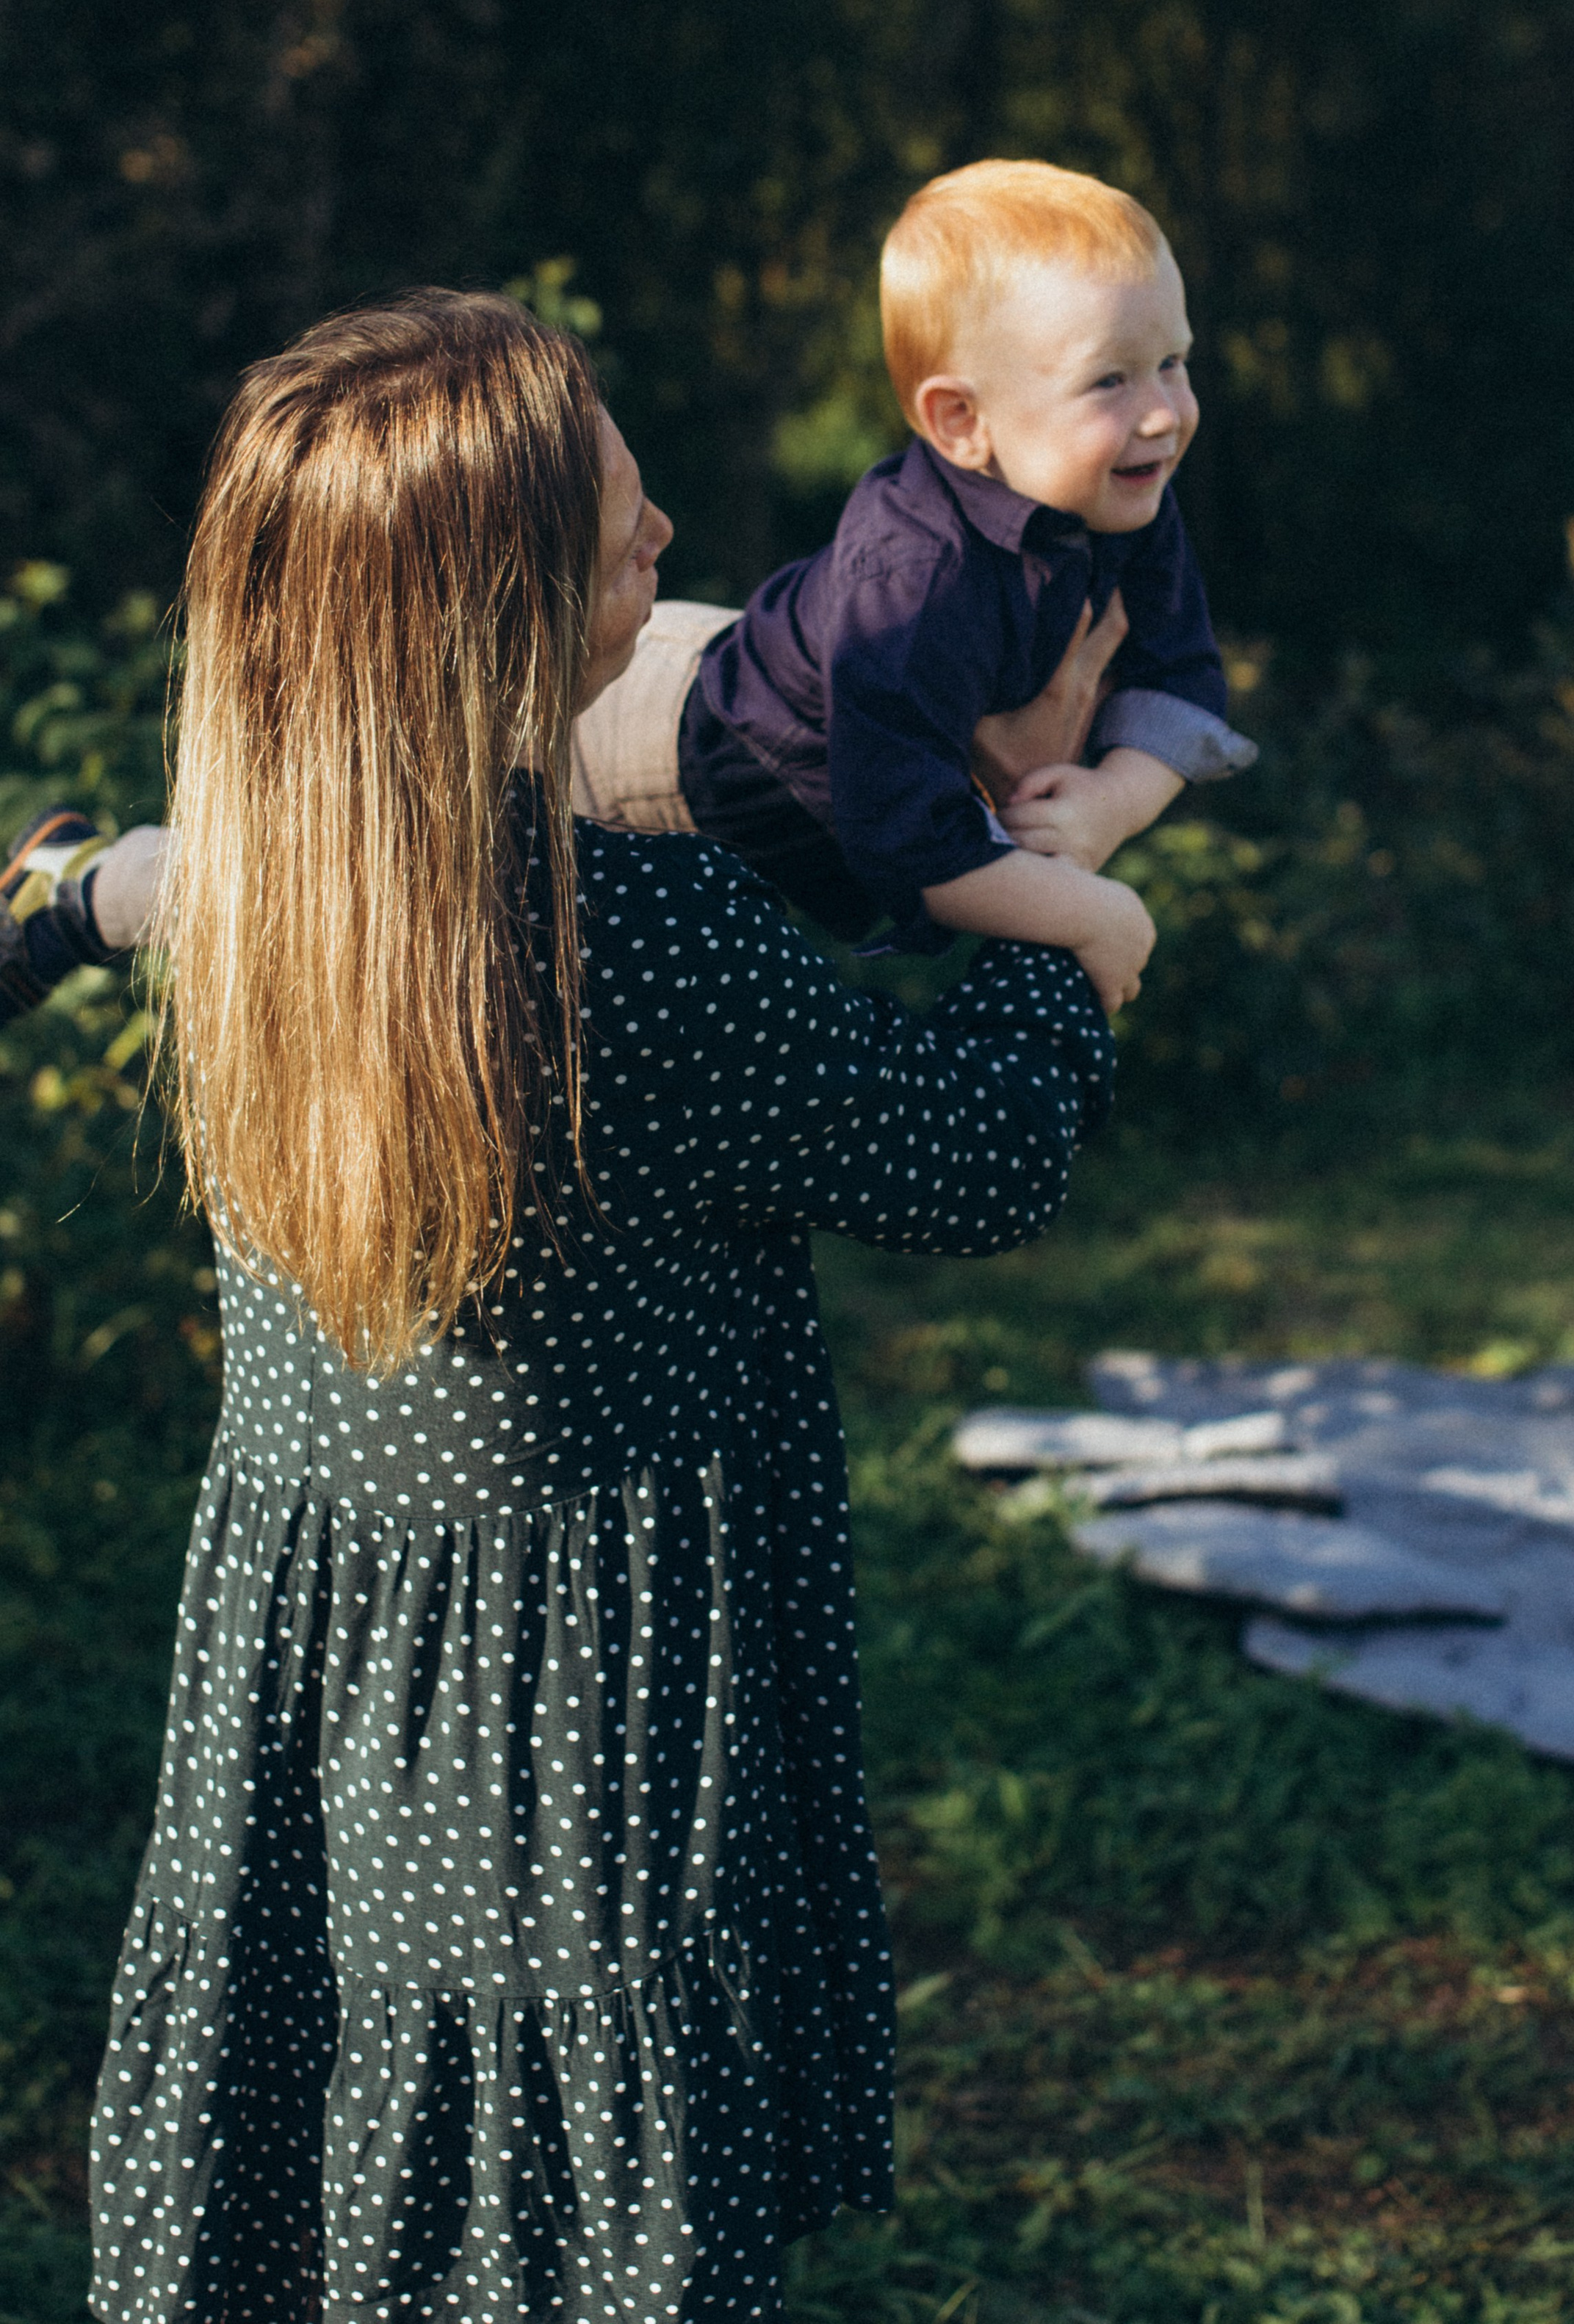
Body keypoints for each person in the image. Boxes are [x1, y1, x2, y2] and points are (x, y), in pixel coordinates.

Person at [83, 289, 1114, 2321]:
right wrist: (1075, 927)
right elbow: (968, 1153)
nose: (667, 547)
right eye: (624, 530)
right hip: (573, 1713)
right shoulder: (627, 950)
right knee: (567, 2186)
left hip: (323, 1661)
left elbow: (164, 883)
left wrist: (83, 889)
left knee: (343, 2092)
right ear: (489, 613)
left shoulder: (266, 879)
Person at [571, 159, 1254, 1009]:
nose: (1163, 412)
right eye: (1110, 380)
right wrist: (1093, 914)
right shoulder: (915, 581)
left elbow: (1180, 676)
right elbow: (908, 839)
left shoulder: (1124, 492)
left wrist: (1109, 806)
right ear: (961, 423)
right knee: (537, 920)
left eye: (1173, 362)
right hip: (644, 742)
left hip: (772, 685)